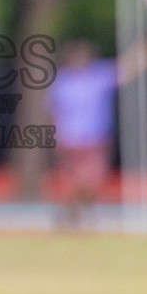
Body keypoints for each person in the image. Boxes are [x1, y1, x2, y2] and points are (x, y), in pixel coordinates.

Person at [47, 40, 118, 228]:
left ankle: (71, 212)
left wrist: (146, 50)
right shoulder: (62, 82)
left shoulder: (98, 77)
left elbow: (125, 69)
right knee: (77, 180)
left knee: (92, 181)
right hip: (70, 139)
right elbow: (54, 112)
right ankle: (74, 214)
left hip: (95, 139)